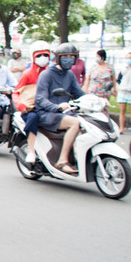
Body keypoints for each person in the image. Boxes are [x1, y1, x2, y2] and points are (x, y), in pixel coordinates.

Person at [35, 43, 84, 175]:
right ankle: (62, 161)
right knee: (75, 123)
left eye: (71, 56)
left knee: (87, 123)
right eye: (65, 56)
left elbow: (79, 93)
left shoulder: (70, 75)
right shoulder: (46, 74)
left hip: (65, 113)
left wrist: (96, 100)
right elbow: (40, 99)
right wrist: (56, 107)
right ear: (58, 58)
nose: (68, 59)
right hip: (47, 113)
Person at [12, 44, 52, 163]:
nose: (43, 57)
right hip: (31, 109)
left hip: (48, 108)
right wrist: (21, 106)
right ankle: (31, 150)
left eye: (46, 55)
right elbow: (16, 93)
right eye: (39, 55)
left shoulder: (50, 74)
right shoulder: (27, 74)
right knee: (33, 118)